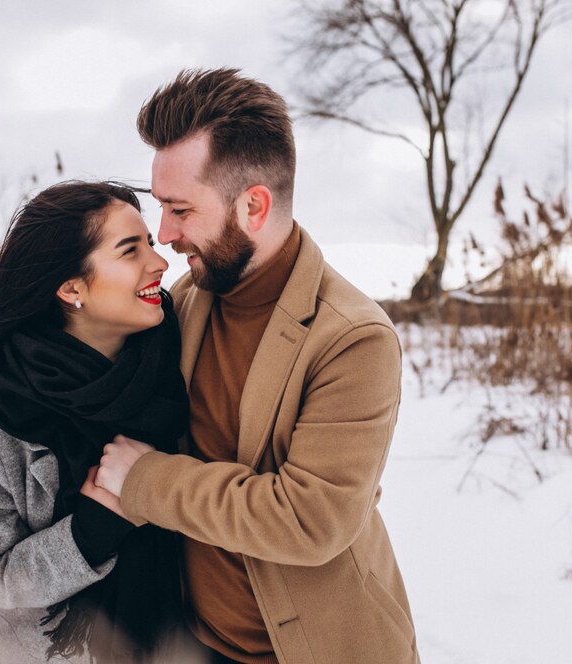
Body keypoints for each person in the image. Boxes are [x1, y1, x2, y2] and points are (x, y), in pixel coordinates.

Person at [95, 69, 420, 664]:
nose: (164, 234)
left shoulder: (353, 338)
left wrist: (146, 482)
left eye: (180, 210)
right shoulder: (187, 300)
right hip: (191, 642)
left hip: (315, 649)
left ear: (253, 205)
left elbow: (310, 519)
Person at [0, 181, 209, 663]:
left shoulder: (178, 361)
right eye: (130, 250)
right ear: (71, 287)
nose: (160, 261)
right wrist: (88, 535)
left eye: (149, 242)